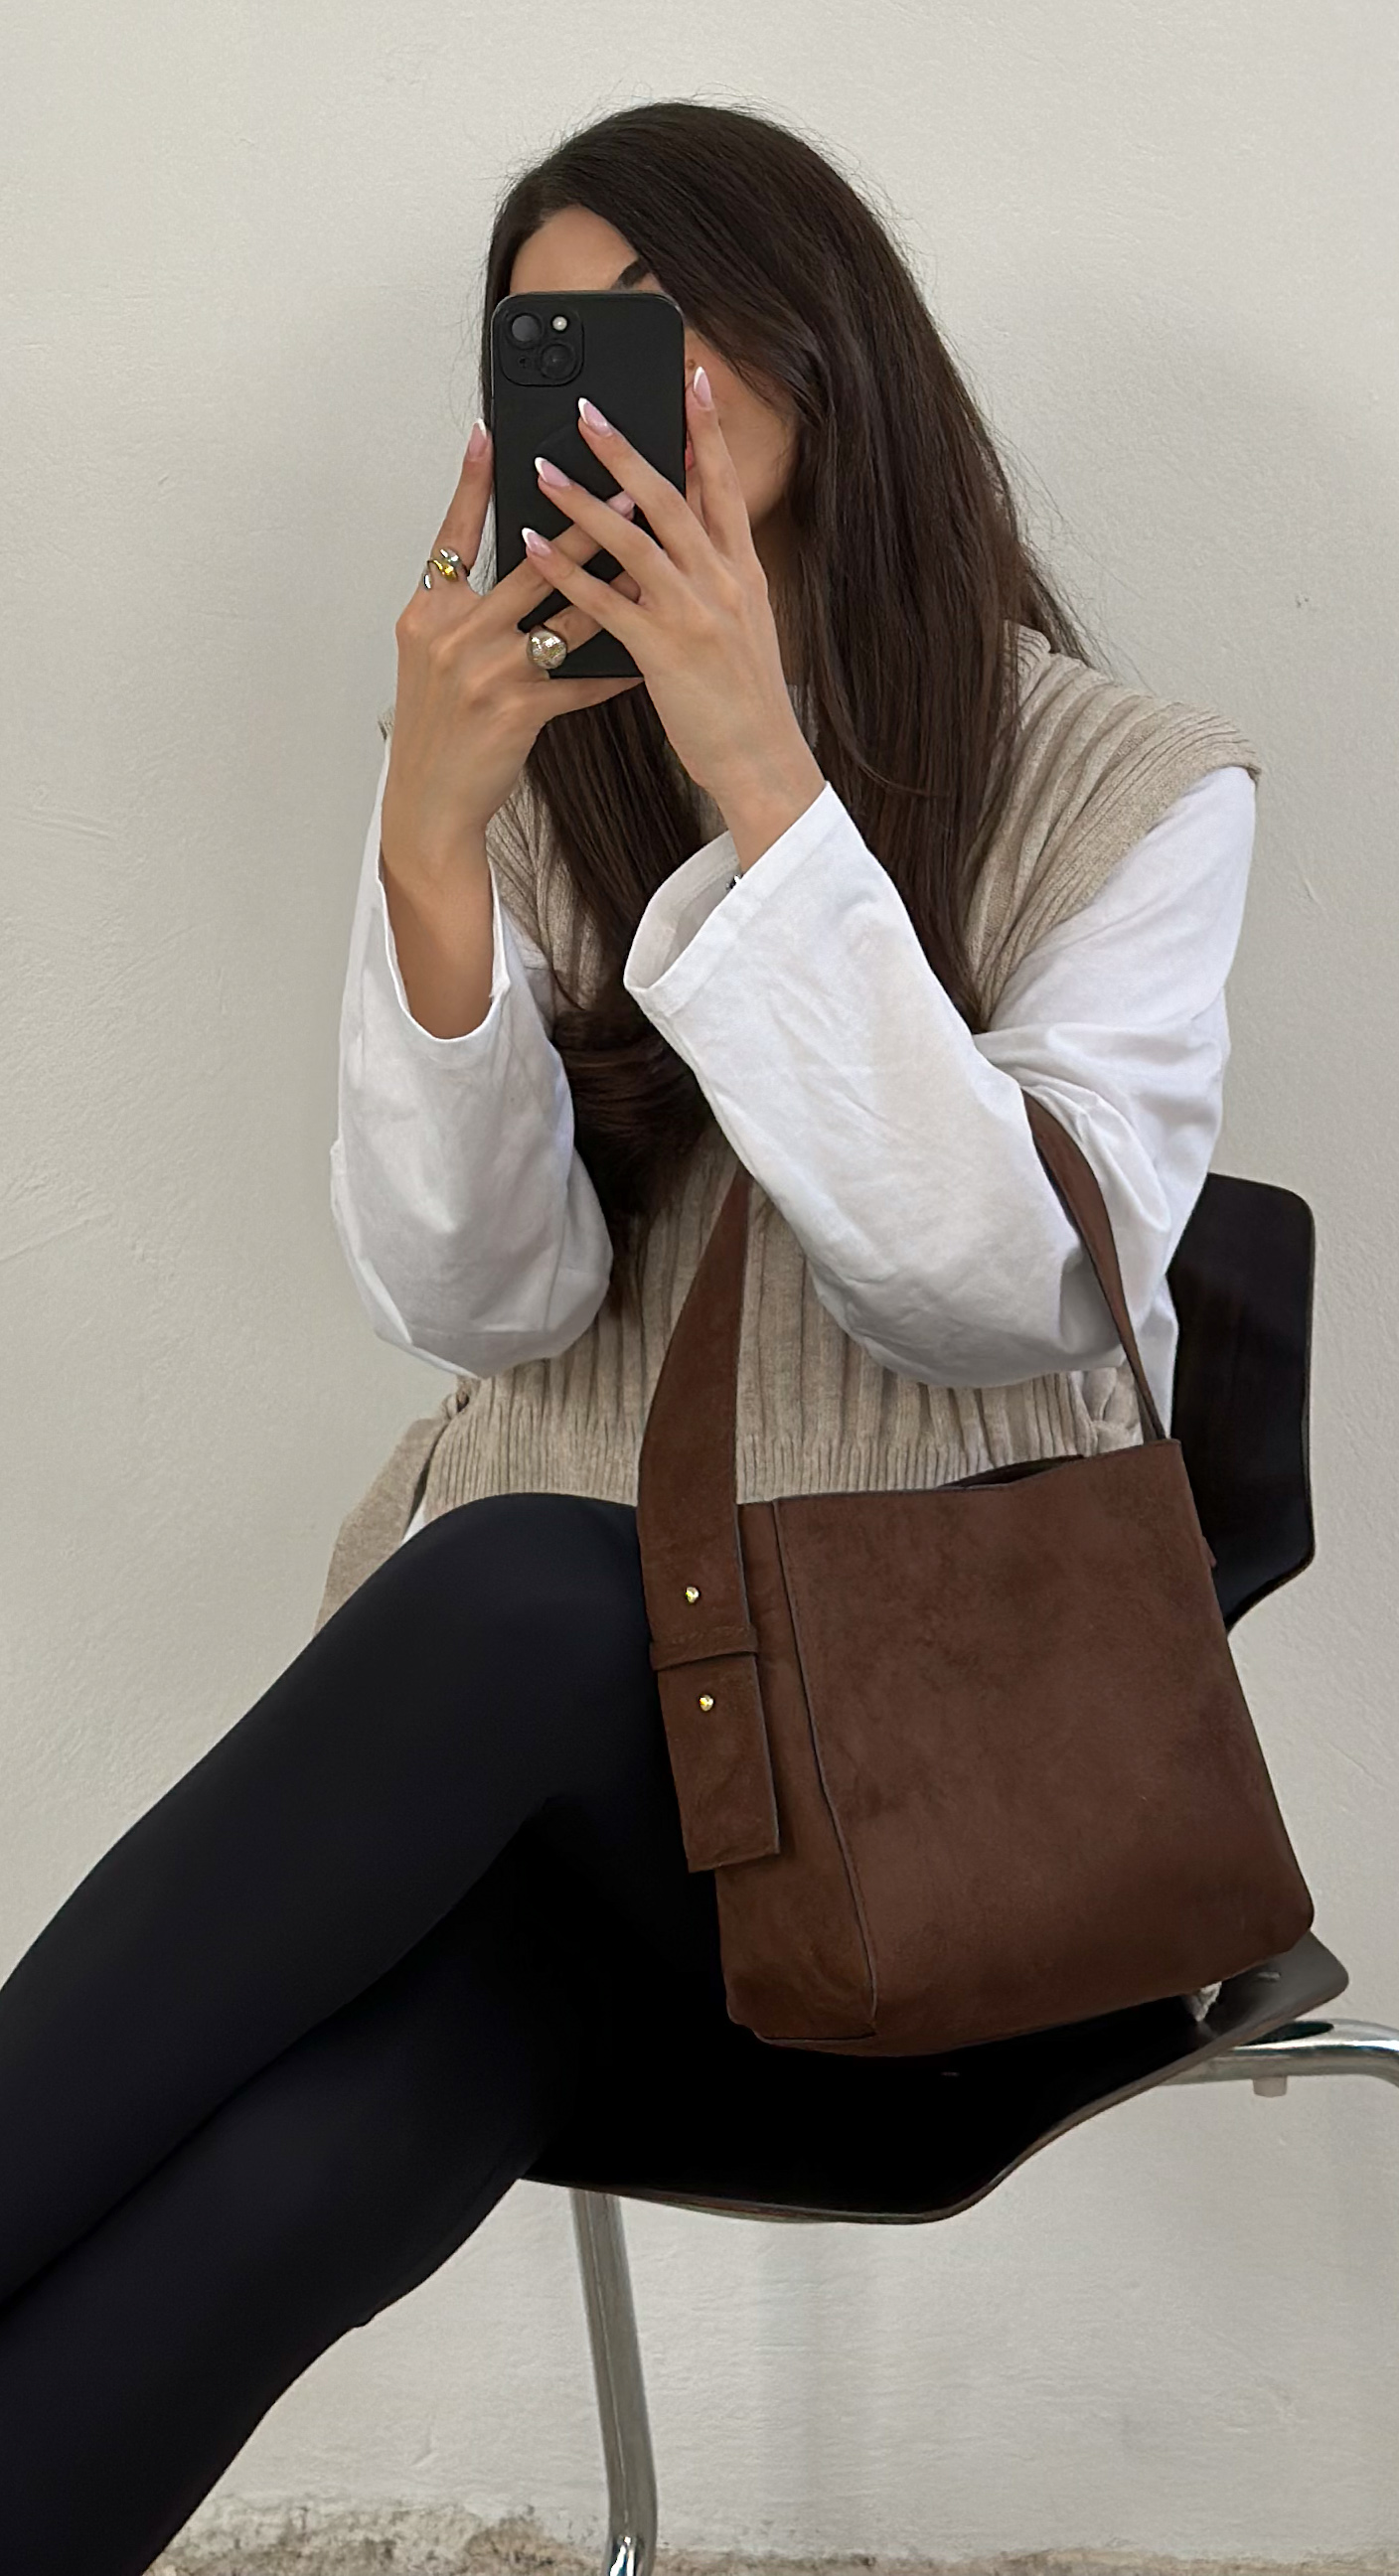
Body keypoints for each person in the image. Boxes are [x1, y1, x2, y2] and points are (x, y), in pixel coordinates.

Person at [0, 99, 1260, 2571]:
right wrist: (430, 846)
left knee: (506, 1581)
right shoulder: (533, 767)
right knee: (303, 2157)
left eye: (666, 331)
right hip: (589, 1865)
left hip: (948, 1864)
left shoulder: (1131, 792)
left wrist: (761, 777)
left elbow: (994, 1292)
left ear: (824, 352)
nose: (621, 392)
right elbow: (476, 1305)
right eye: (558, 343)